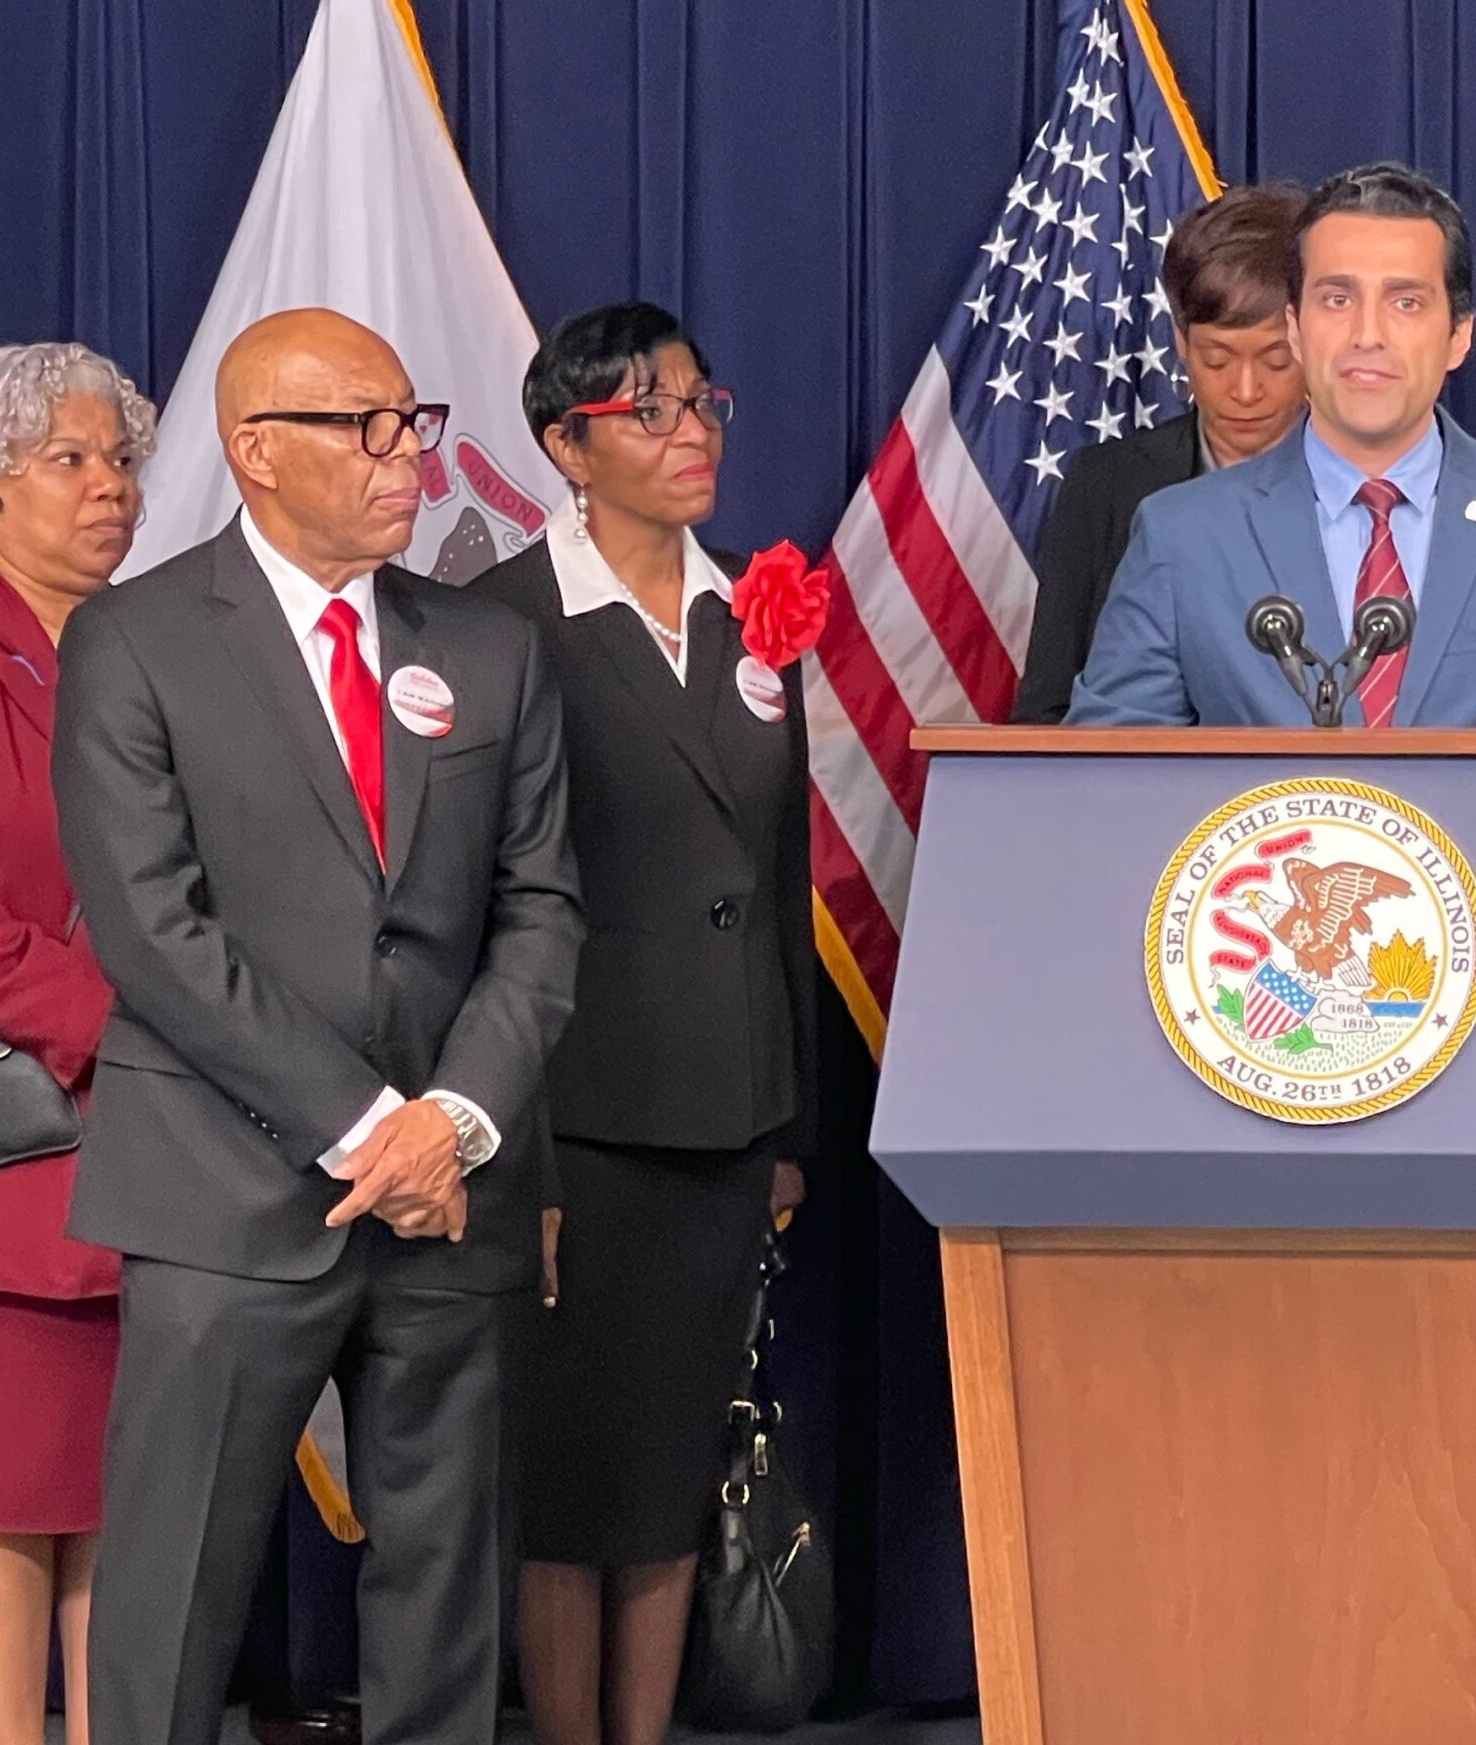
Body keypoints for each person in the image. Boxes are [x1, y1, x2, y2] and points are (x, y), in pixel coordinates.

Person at [52, 308, 583, 1745]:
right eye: (364, 426)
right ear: (254, 452)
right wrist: (368, 1128)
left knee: (447, 1608)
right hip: (228, 1197)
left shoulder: (489, 646)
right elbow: (154, 935)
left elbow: (541, 917)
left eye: (410, 420)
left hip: (451, 1198)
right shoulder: (135, 640)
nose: (405, 453)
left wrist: (451, 1124)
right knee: (172, 1609)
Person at [477, 302, 816, 1745]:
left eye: (700, 403)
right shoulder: (504, 624)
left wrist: (787, 1119)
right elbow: (484, 908)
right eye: (649, 411)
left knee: (678, 1460)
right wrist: (521, 1152)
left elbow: (780, 873)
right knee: (571, 1484)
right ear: (567, 445)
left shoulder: (758, 614)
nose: (691, 434)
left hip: (727, 1115)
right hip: (578, 1116)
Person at [1065, 162, 1476, 729]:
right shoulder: (1182, 536)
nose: (1367, 335)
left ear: (1459, 336)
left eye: (1405, 302)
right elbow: (1109, 786)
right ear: (1296, 329)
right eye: (1337, 299)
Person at [0, 343, 154, 1745]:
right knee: (11, 1493)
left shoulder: (154, 645)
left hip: (162, 1150)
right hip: (15, 1149)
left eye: (122, 462)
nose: (110, 489)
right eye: (71, 462)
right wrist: (117, 1018)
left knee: (126, 1495)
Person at [1013, 182, 1306, 722]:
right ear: (1179, 340)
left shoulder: (1370, 488)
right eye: (1217, 359)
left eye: (1276, 360)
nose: (1245, 389)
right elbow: (1047, 716)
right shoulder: (1107, 485)